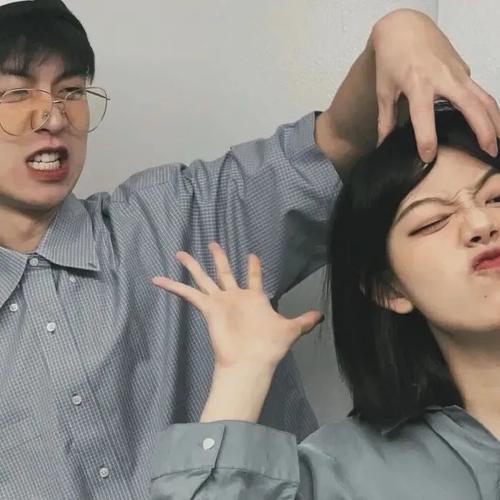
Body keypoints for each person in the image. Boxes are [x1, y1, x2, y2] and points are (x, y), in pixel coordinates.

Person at [0, 0, 497, 498]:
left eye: (71, 91)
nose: (53, 116)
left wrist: (400, 30)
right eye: (16, 92)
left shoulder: (179, 218)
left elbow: (339, 142)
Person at [151, 103, 500, 499]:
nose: (480, 224)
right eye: (433, 221)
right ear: (390, 290)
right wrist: (241, 373)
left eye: (496, 198)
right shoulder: (345, 473)